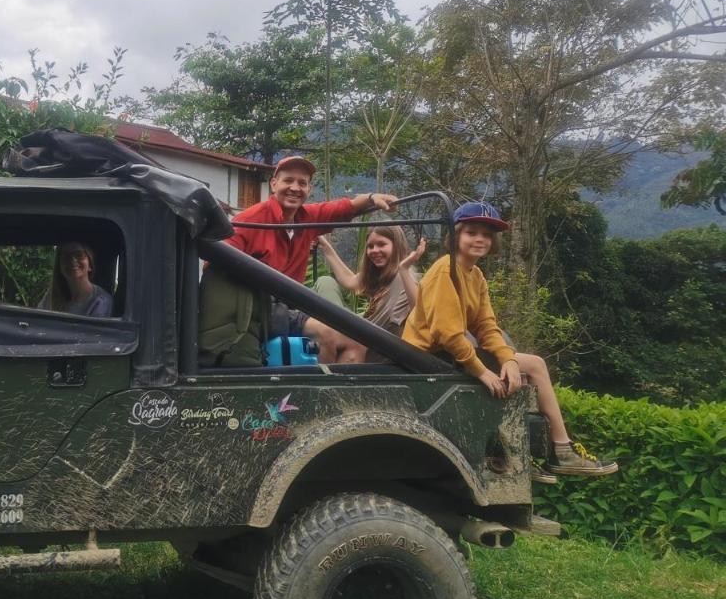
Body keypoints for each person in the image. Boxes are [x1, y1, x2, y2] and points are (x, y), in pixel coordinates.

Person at [400, 201, 618, 477]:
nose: (480, 239)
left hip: (447, 353)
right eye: (472, 232)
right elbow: (447, 333)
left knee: (518, 374)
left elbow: (487, 326)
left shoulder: (475, 274)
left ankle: (513, 455)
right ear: (455, 236)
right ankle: (561, 451)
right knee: (536, 365)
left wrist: (508, 360)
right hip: (429, 357)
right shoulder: (446, 271)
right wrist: (481, 371)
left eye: (487, 234)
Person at [223, 155, 398, 363]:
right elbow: (216, 264)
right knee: (326, 334)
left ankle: (341, 395)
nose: (295, 188)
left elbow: (346, 207)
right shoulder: (250, 220)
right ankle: (314, 393)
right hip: (255, 309)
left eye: (302, 183)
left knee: (357, 341)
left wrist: (372, 198)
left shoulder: (305, 218)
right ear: (274, 184)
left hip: (291, 308)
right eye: (288, 180)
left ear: (309, 190)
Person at [317, 225, 427, 354]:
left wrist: (404, 270)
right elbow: (349, 280)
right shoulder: (381, 272)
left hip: (368, 344)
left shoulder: (403, 276)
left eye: (381, 244)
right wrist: (325, 247)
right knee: (325, 281)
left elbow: (419, 312)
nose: (374, 250)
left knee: (324, 286)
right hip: (360, 330)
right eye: (370, 246)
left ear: (396, 245)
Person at [39, 241, 114, 317]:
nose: (72, 260)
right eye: (66, 256)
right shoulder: (51, 295)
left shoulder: (101, 301)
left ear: (90, 264)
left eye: (79, 255)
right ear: (59, 266)